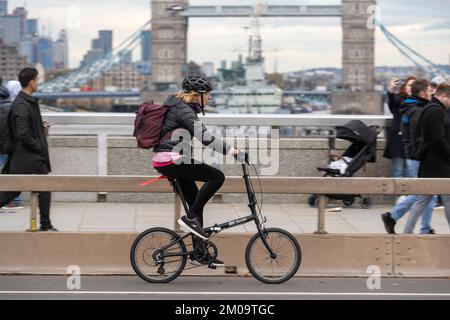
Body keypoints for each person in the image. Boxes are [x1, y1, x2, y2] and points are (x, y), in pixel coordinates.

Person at [152, 74, 240, 267]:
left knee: (195, 203)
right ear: (196, 95)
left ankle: (200, 253)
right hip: (171, 160)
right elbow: (205, 138)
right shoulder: (183, 110)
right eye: (207, 94)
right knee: (217, 176)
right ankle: (190, 219)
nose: (209, 98)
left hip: (169, 159)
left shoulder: (181, 107)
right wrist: (232, 151)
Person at [0, 68, 57, 232]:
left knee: (20, 190)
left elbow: (27, 128)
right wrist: (38, 146)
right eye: (37, 80)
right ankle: (46, 226)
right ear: (31, 81)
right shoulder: (22, 104)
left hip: (28, 156)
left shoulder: (26, 101)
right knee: (15, 191)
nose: (38, 83)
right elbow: (23, 133)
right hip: (28, 157)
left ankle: (46, 225)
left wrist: (40, 127)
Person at [381, 79, 437, 234]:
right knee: (425, 191)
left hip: (415, 153)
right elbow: (418, 135)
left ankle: (417, 226)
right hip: (418, 155)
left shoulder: (415, 105)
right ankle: (396, 217)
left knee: (426, 192)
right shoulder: (415, 108)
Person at [403, 83, 450, 233]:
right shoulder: (436, 111)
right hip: (438, 164)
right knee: (447, 198)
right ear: (444, 96)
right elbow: (438, 139)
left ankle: (407, 231)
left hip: (430, 162)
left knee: (423, 199)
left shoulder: (430, 108)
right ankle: (406, 231)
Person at [383, 76, 416, 178]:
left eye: (414, 86)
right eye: (409, 85)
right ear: (404, 87)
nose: (411, 88)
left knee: (411, 173)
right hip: (398, 139)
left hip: (413, 140)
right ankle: (398, 194)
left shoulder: (420, 102)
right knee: (398, 171)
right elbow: (392, 100)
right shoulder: (399, 99)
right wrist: (391, 89)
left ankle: (409, 194)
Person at [0, 80, 24, 209]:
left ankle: (10, 202)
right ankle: (13, 202)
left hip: (3, 143)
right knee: (9, 170)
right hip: (9, 143)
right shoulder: (11, 104)